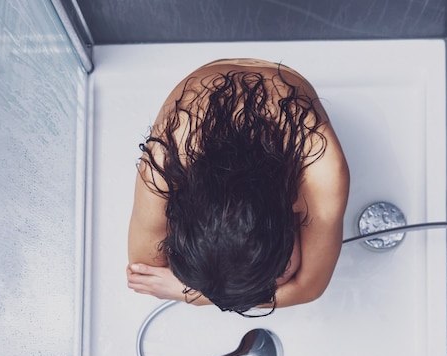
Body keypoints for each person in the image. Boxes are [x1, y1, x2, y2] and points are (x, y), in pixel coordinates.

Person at [126, 58, 349, 316]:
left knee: (273, 275)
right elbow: (144, 270)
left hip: (281, 107)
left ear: (289, 217)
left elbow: (310, 289)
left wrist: (192, 295)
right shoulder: (164, 166)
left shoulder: (320, 170)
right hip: (207, 113)